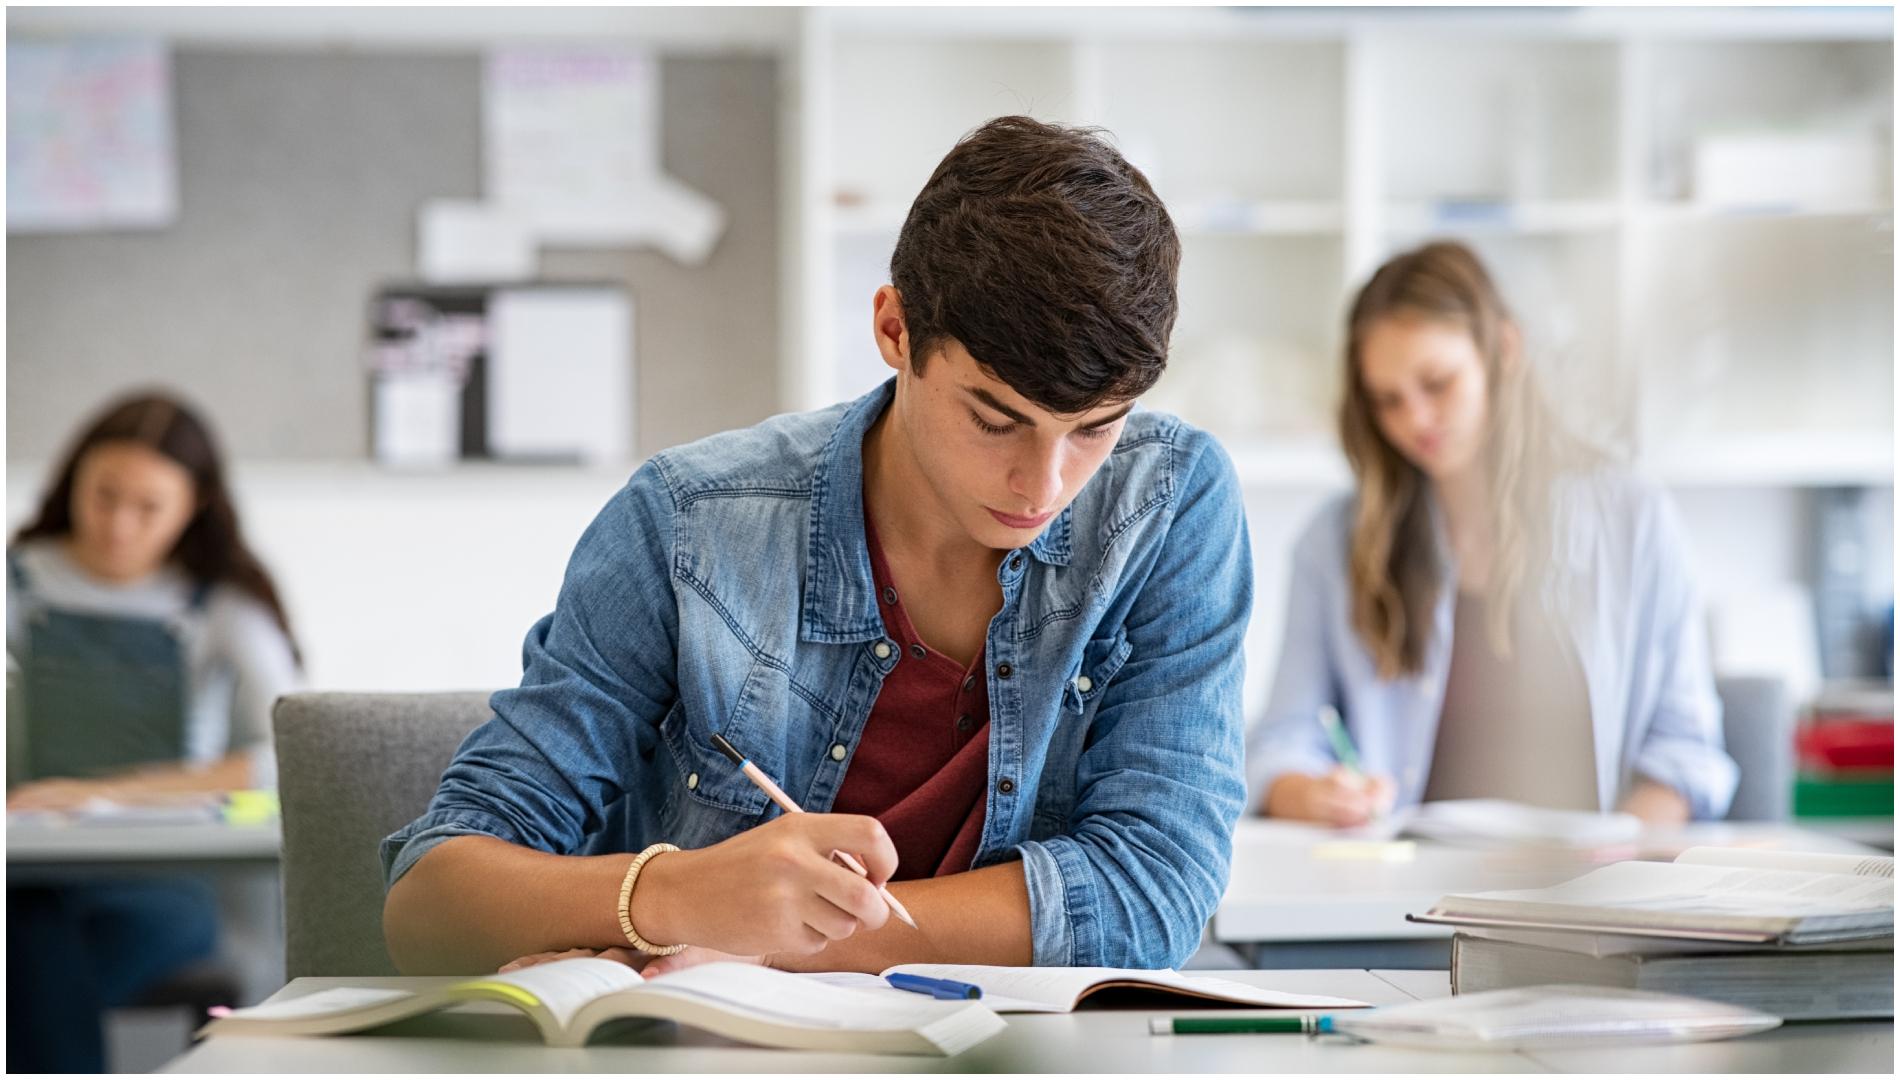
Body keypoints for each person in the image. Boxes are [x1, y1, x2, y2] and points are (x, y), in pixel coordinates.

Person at [381, 116, 1252, 979]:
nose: (1044, 483)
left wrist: (761, 944)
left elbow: (1154, 893)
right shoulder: (689, 523)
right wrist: (677, 894)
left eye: (1095, 430)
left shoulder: (1168, 504)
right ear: (894, 330)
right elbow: (429, 905)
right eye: (995, 419)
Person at [1247, 241, 1736, 829]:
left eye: (1437, 383)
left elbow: (1684, 753)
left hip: (1587, 900)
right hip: (1401, 903)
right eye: (1387, 401)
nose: (1415, 420)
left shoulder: (1634, 520)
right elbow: (1281, 742)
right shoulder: (1335, 541)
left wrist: (1616, 867)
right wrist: (1311, 793)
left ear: (1504, 350)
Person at [6, 391, 303, 1072]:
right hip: (28, 872)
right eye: (104, 496)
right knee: (28, 929)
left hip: (165, 888)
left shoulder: (221, 606)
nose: (118, 526)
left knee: (29, 957)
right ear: (71, 482)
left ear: (192, 506)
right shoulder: (16, 583)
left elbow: (292, 752)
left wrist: (102, 794)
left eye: (148, 507)